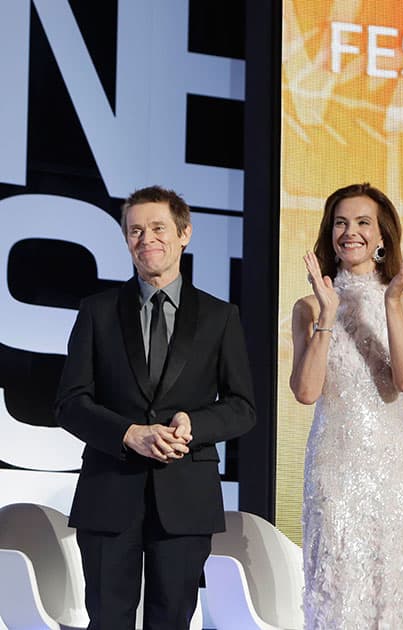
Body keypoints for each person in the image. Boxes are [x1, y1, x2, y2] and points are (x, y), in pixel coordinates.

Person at [55, 186, 256, 629]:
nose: (146, 238)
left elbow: (243, 407)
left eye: (158, 227)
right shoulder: (97, 311)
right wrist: (128, 434)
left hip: (185, 496)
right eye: (135, 230)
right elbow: (69, 403)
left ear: (184, 233)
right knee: (107, 620)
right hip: (108, 493)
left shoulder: (221, 317)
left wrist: (194, 424)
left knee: (173, 621)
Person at [290, 182, 403, 629]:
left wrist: (390, 300)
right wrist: (328, 315)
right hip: (333, 466)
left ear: (382, 235)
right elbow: (306, 392)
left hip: (392, 470)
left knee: (390, 589)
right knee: (336, 588)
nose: (351, 232)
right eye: (341, 223)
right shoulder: (308, 307)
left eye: (363, 223)